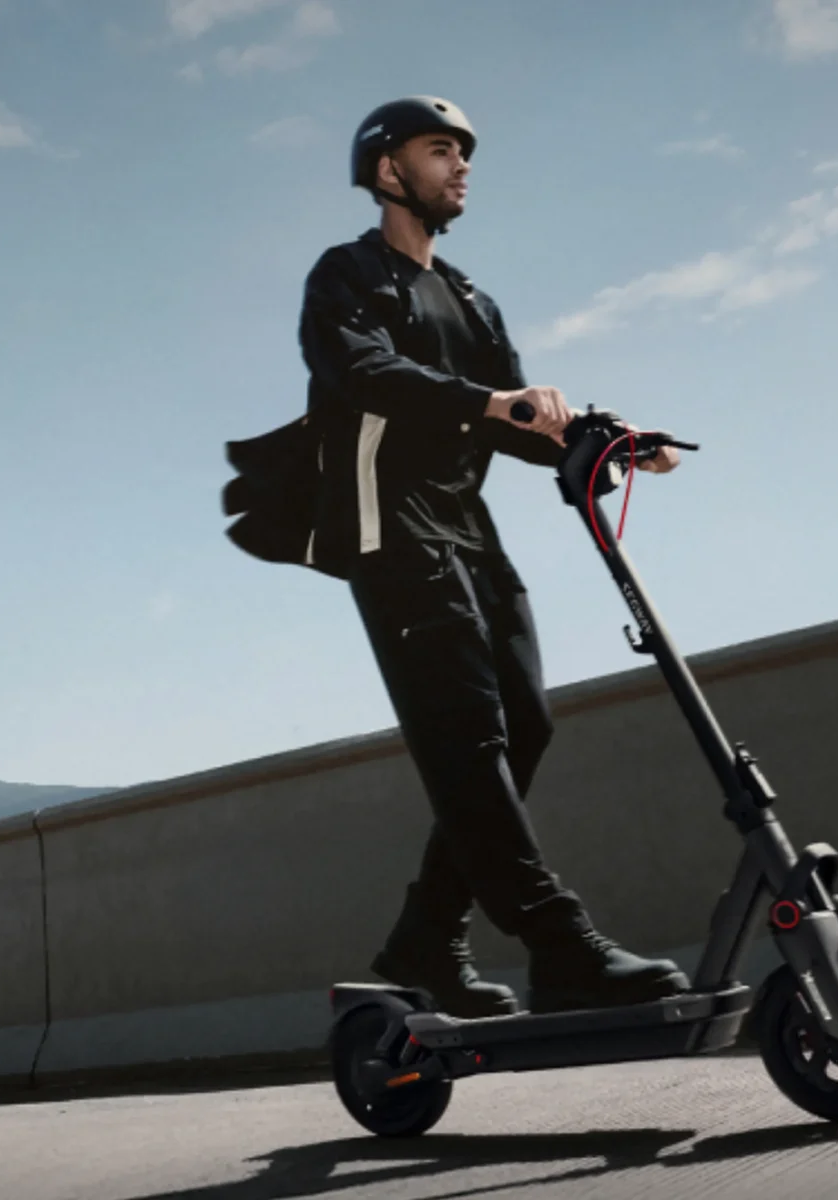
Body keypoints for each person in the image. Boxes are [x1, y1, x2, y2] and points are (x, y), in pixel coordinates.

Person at [296, 96, 684, 1017]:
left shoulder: (470, 296)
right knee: (465, 736)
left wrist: (609, 437)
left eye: (464, 153)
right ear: (389, 170)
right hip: (387, 530)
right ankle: (558, 941)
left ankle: (424, 942)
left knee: (525, 724)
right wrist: (491, 402)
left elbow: (520, 420)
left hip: (467, 530)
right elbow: (364, 372)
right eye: (441, 151)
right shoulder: (348, 275)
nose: (461, 166)